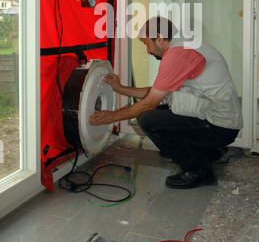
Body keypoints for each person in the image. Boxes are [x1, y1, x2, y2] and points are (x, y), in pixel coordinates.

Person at [89, 16, 243, 189]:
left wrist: (111, 117)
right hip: (220, 120)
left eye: (148, 44)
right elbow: (157, 91)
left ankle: (198, 171)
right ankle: (209, 152)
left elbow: (149, 104)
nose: (148, 51)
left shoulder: (176, 55)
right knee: (160, 115)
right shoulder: (185, 43)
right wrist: (120, 88)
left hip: (219, 127)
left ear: (160, 38)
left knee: (148, 120)